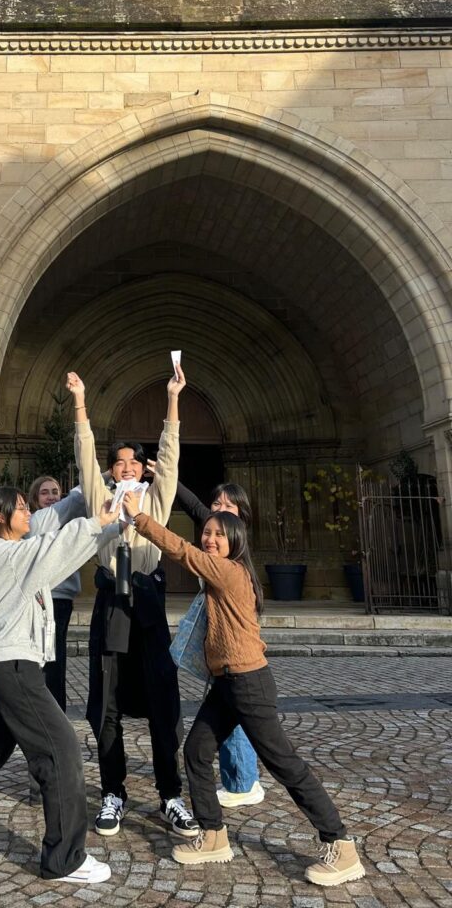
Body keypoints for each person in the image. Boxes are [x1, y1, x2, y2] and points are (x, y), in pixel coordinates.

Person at [124, 496, 366, 887]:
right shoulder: (224, 571)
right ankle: (213, 835)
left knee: (284, 764)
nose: (210, 539)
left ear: (235, 541)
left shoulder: (230, 572)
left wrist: (139, 518)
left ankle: (340, 843)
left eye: (220, 535)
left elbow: (182, 551)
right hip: (227, 683)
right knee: (197, 750)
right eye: (207, 532)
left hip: (248, 683)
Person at [0, 486, 120, 884]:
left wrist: (109, 522)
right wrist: (98, 521)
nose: (29, 513)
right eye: (23, 508)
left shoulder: (17, 551)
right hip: (13, 669)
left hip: (14, 666)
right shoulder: (1, 554)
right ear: (0, 516)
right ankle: (64, 860)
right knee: (61, 749)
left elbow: (60, 549)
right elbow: (50, 548)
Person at [66, 365, 199, 840]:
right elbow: (84, 456)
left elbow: (171, 455)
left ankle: (171, 795)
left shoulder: (155, 500)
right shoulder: (100, 498)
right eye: (119, 462)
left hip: (148, 605)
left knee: (163, 701)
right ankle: (113, 793)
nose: (126, 467)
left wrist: (173, 398)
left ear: (143, 468)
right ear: (112, 468)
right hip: (110, 607)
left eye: (133, 462)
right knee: (106, 704)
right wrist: (81, 402)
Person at [168, 475, 264, 809]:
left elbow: (182, 550)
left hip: (235, 647)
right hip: (221, 641)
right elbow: (195, 507)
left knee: (235, 711)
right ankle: (240, 778)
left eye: (229, 505)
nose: (219, 509)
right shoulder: (219, 536)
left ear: (242, 516)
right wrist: (168, 476)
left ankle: (243, 782)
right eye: (216, 503)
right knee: (230, 708)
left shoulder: (232, 553)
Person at [27, 475, 80, 712]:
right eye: (44, 492)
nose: (51, 496)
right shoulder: (36, 521)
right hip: (42, 600)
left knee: (55, 659)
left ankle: (54, 711)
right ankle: (48, 712)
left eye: (55, 491)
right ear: (35, 498)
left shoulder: (67, 521)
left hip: (61, 600)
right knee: (45, 660)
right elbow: (77, 497)